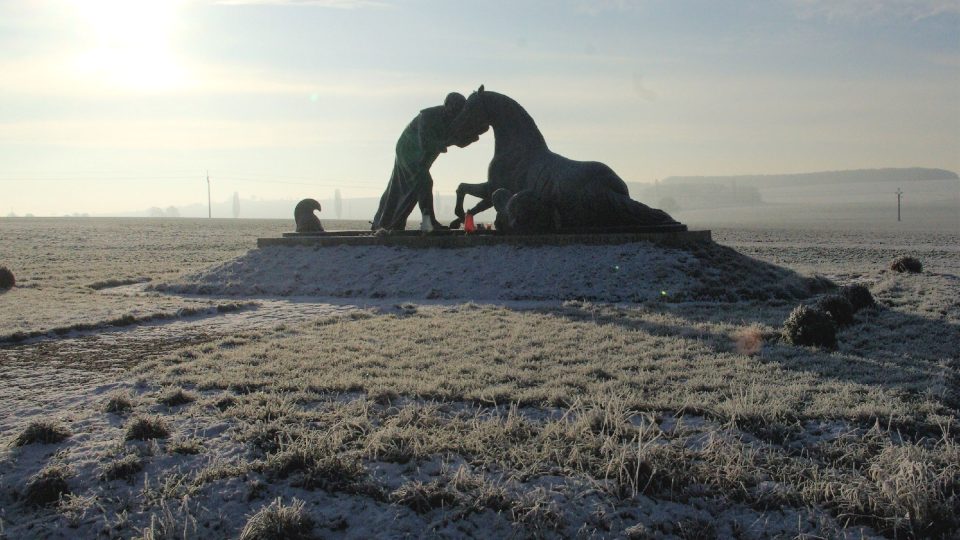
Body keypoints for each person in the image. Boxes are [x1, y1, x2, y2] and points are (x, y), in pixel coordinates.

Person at [371, 92, 468, 231]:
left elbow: (455, 138)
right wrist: (449, 142)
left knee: (399, 187)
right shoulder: (427, 116)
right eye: (455, 109)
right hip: (408, 150)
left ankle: (383, 221)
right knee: (424, 181)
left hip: (421, 154)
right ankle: (429, 222)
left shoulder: (450, 119)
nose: (457, 113)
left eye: (460, 110)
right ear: (447, 106)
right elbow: (426, 143)